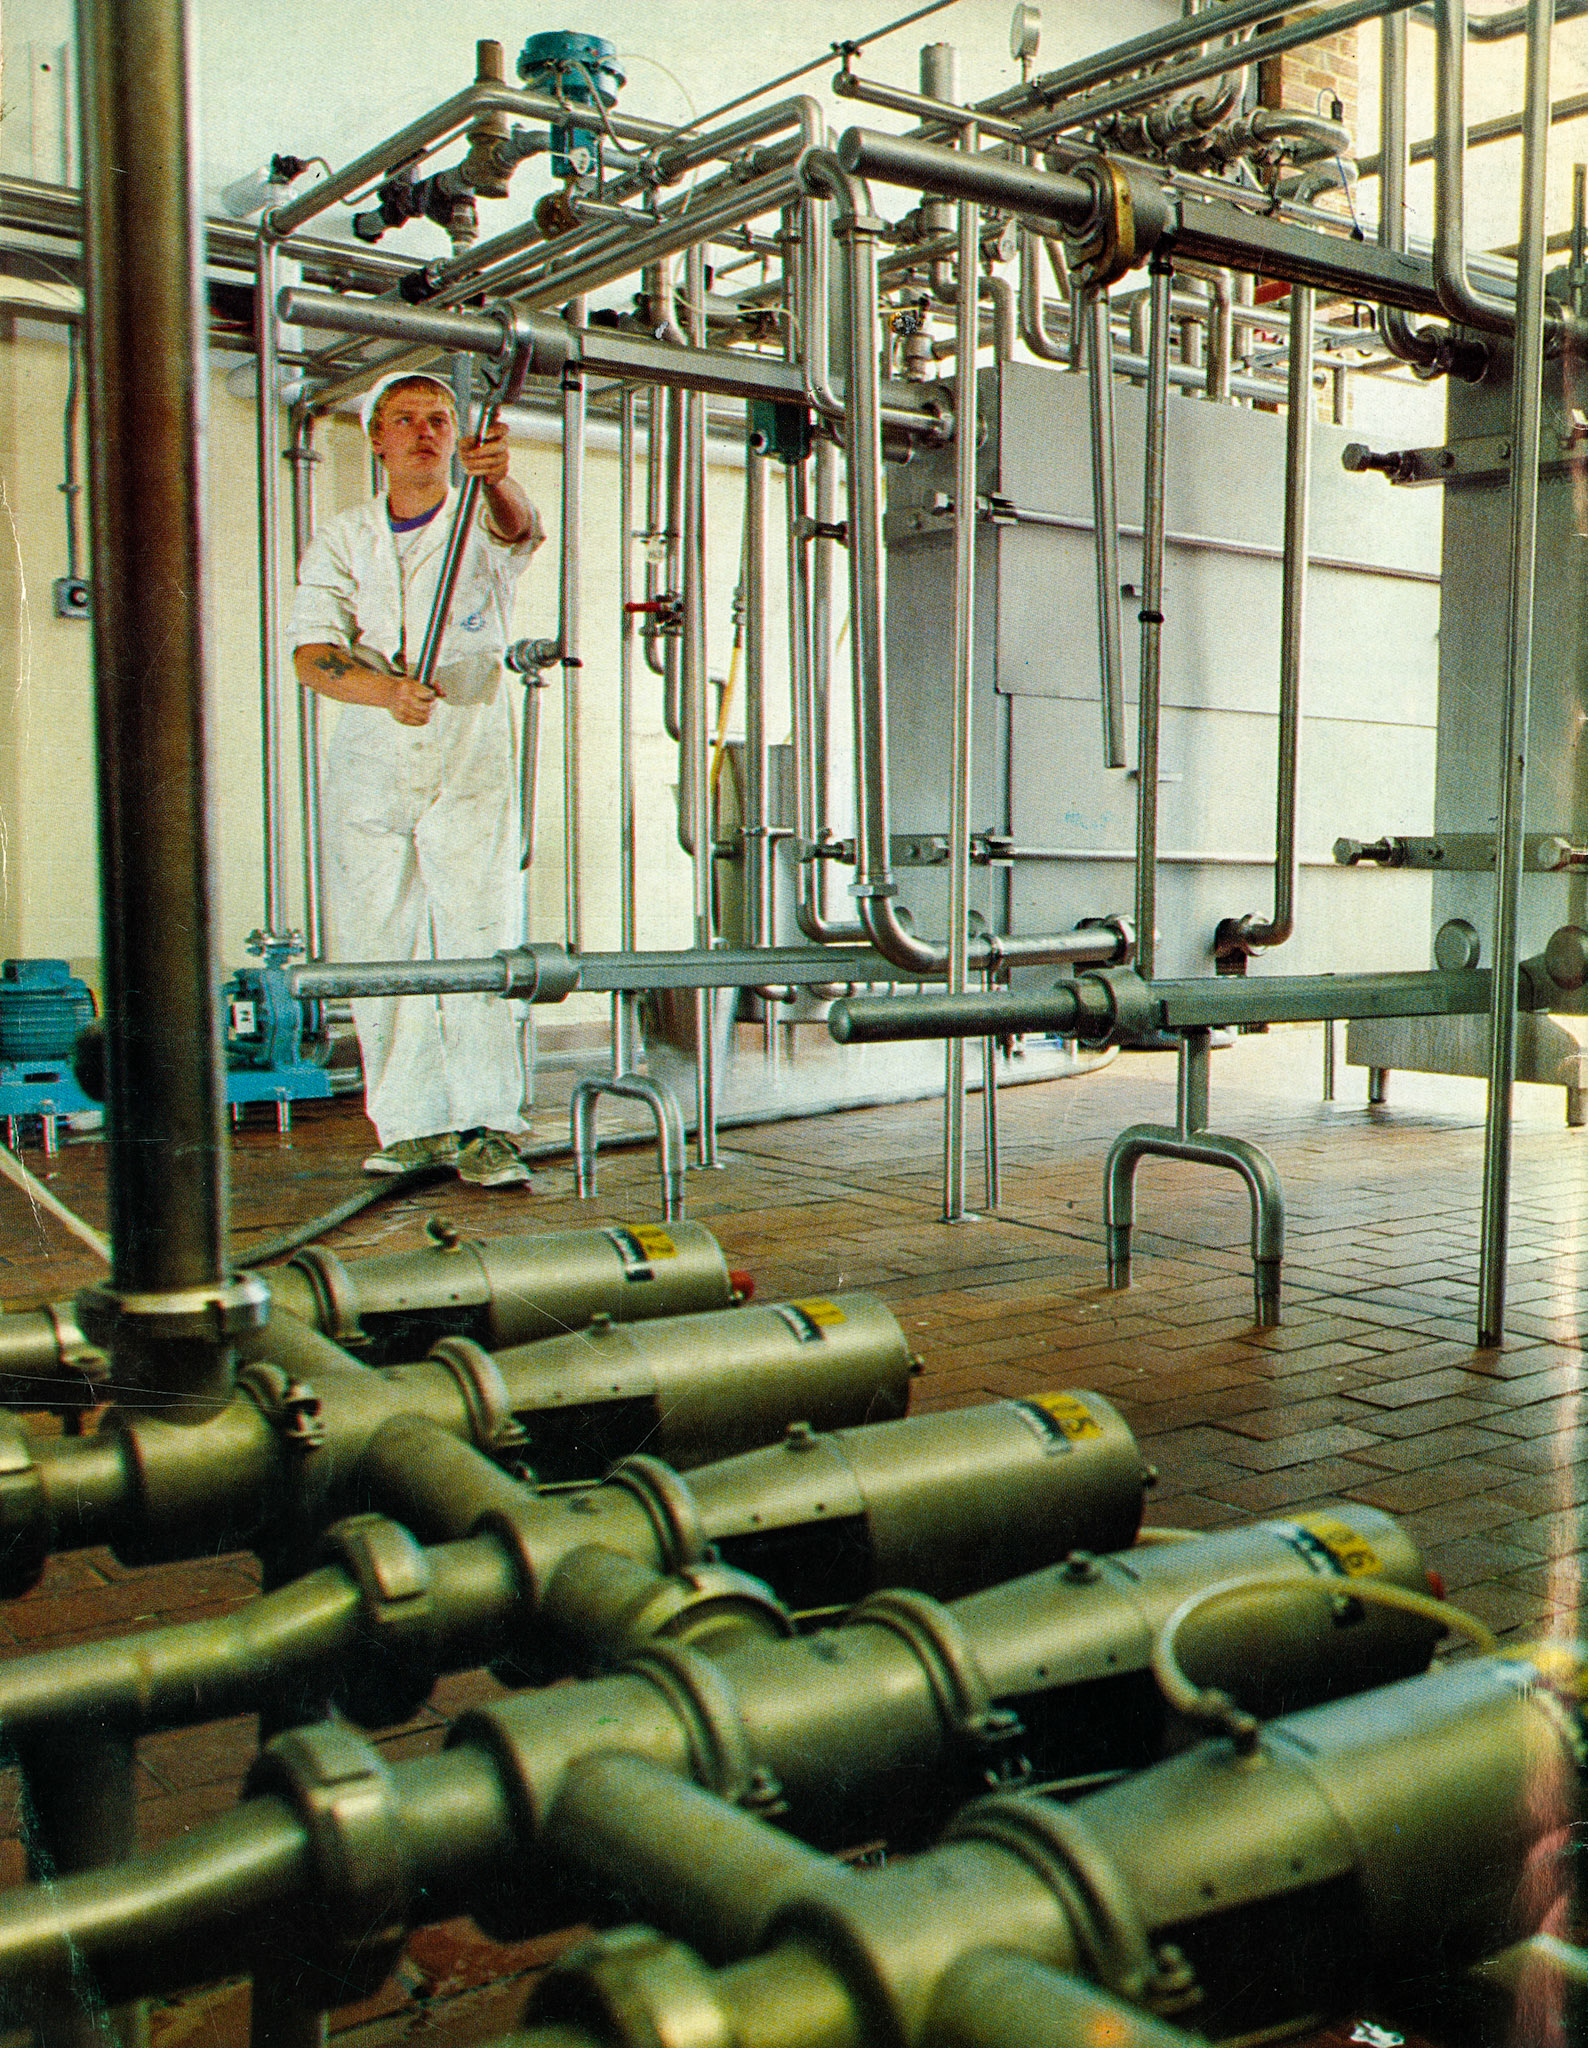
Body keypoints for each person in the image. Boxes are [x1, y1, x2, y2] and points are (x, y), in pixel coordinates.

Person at [288, 371, 545, 1187]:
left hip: (468, 738)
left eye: (438, 418)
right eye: (405, 419)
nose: (424, 432)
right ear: (377, 438)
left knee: (479, 930)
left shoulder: (480, 515)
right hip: (375, 746)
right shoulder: (344, 536)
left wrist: (497, 478)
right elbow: (312, 653)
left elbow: (520, 528)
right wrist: (385, 693)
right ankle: (410, 1125)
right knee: (379, 934)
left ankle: (489, 1126)